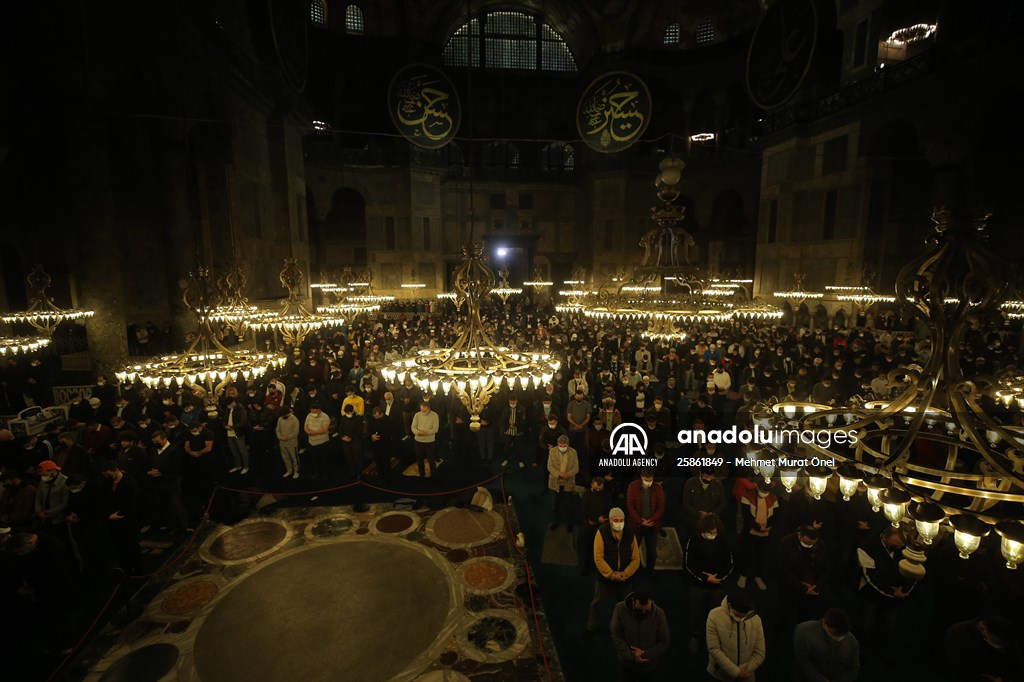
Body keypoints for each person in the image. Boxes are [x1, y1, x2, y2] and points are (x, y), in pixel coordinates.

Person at [587, 507, 640, 637]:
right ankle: (591, 627)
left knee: (625, 604)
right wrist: (611, 574)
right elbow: (598, 557)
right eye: (616, 520)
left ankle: (623, 628)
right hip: (605, 578)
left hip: (624, 578)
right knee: (598, 602)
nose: (619, 523)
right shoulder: (602, 532)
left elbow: (636, 559)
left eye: (621, 520)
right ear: (610, 521)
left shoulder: (629, 533)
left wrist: (625, 574)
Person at [684, 513, 733, 653]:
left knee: (715, 613)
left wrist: (719, 578)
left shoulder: (722, 541)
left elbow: (729, 564)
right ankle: (695, 635)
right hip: (697, 584)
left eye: (715, 532)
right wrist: (704, 578)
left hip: (717, 585)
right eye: (710, 532)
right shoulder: (693, 540)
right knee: (695, 611)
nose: (713, 534)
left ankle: (711, 637)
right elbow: (688, 565)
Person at [610, 587, 671, 682]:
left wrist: (645, 654)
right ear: (633, 602)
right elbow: (616, 635)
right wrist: (632, 656)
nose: (644, 613)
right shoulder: (620, 609)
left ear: (652, 602)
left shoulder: (659, 614)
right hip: (627, 663)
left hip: (649, 664)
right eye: (640, 610)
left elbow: (664, 641)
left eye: (647, 610)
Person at [706, 591, 766, 681]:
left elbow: (760, 652)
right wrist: (736, 672)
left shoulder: (755, 619)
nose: (741, 620)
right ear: (729, 605)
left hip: (746, 676)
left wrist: (745, 671)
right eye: (738, 615)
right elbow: (714, 649)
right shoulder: (714, 616)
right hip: (720, 675)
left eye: (745, 617)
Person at [793, 608, 860, 682]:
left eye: (843, 635)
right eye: (835, 634)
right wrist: (818, 679)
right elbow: (802, 660)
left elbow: (853, 669)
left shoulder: (852, 642)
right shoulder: (804, 632)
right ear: (824, 623)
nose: (839, 639)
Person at [945, 616, 1020, 682]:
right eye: (996, 642)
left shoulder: (1004, 632)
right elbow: (959, 668)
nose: (999, 646)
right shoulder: (958, 632)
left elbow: (1014, 661)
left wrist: (1005, 678)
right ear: (983, 628)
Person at [738, 479, 778, 590]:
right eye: (762, 490)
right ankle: (743, 576)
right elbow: (746, 515)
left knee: (761, 556)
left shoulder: (773, 498)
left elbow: (776, 515)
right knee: (746, 554)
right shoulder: (747, 496)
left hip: (766, 533)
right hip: (750, 532)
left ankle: (758, 576)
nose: (764, 493)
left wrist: (769, 526)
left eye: (766, 491)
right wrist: (758, 527)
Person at [147, 430, 190, 532]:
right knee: (163, 504)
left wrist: (160, 472)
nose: (155, 444)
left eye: (157, 441)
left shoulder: (174, 450)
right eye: (154, 442)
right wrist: (150, 472)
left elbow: (176, 467)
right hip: (158, 482)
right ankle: (170, 525)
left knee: (176, 504)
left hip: (171, 482)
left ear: (164, 438)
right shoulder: (153, 450)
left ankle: (184, 526)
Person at [626, 467, 665, 577]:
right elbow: (630, 506)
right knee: (633, 550)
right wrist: (640, 521)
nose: (648, 482)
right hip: (636, 524)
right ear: (641, 477)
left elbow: (661, 507)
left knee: (652, 551)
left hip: (652, 524)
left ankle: (650, 571)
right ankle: (632, 570)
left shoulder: (657, 488)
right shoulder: (632, 487)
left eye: (650, 479)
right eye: (646, 480)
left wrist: (651, 520)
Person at [681, 466, 727, 535]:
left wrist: (711, 514)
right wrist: (699, 514)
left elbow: (722, 503)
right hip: (693, 520)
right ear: (700, 474)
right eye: (705, 477)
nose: (708, 479)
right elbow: (686, 503)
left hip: (712, 521)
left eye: (710, 477)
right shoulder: (690, 483)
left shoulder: (717, 485)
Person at [580, 476, 612, 575]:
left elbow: (610, 509)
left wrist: (600, 520)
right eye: (596, 488)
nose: (598, 490)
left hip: (602, 526)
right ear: (591, 485)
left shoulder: (607, 495)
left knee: (602, 549)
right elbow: (584, 511)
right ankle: (586, 568)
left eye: (600, 489)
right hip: (590, 526)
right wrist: (597, 519)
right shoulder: (586, 494)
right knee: (587, 548)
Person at [547, 434, 579, 530]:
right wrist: (558, 474)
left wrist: (567, 474)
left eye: (564, 446)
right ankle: (555, 521)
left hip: (568, 482)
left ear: (568, 445)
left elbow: (576, 468)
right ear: (558, 444)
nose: (562, 447)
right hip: (555, 482)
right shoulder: (552, 451)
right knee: (554, 504)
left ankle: (569, 523)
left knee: (568, 505)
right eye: (560, 446)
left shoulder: (573, 452)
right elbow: (549, 466)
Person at [34, 460, 69, 537]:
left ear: (53, 471)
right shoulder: (43, 482)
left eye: (44, 474)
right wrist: (39, 511)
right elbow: (38, 497)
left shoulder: (65, 482)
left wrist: (49, 513)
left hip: (58, 520)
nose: (42, 477)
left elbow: (65, 503)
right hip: (43, 518)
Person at [411, 400, 439, 478]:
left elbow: (435, 429)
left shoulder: (434, 415)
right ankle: (422, 475)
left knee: (431, 460)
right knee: (419, 460)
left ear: (428, 408)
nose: (422, 412)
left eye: (424, 410)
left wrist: (425, 432)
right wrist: (418, 433)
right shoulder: (417, 415)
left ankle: (434, 476)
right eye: (421, 410)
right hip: (418, 441)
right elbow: (413, 427)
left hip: (429, 441)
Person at [303, 404, 332, 480]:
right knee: (314, 459)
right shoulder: (309, 415)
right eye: (312, 412)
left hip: (322, 442)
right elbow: (305, 426)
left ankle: (326, 474)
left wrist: (313, 433)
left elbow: (324, 429)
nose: (313, 413)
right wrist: (308, 432)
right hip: (312, 442)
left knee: (324, 459)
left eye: (315, 412)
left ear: (319, 410)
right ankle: (317, 473)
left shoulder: (325, 416)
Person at [276, 406, 301, 478]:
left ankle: (296, 471)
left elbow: (296, 432)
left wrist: (287, 437)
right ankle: (289, 470)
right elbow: (277, 429)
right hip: (282, 443)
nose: (283, 416)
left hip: (292, 443)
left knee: (294, 458)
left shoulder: (294, 419)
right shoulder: (280, 419)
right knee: (285, 458)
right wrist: (280, 437)